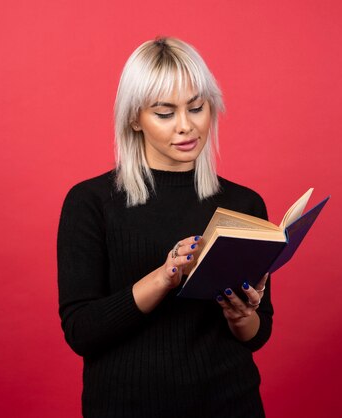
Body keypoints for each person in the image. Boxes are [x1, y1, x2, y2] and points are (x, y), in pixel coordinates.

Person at [57, 37, 273, 418]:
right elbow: (82, 331)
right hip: (125, 406)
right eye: (164, 113)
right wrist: (165, 276)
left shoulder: (244, 204)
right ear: (133, 118)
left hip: (230, 403)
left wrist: (243, 316)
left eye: (196, 108)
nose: (186, 126)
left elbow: (258, 334)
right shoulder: (90, 202)